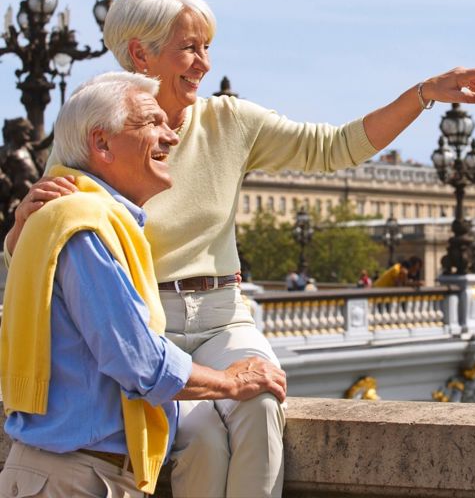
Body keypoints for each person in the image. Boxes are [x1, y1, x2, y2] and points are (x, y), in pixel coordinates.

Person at [5, 0, 475, 498]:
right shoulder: (98, 128)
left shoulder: (228, 121)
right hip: (150, 322)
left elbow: (334, 147)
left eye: (207, 47)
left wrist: (421, 94)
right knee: (199, 442)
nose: (203, 62)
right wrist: (21, 226)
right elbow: (50, 249)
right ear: (139, 54)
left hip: (224, 316)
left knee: (263, 406)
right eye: (190, 48)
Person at [0, 72, 286, 497]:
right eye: (152, 123)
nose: (170, 136)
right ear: (102, 144)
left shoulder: (76, 217)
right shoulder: (85, 224)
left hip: (81, 474)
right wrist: (231, 382)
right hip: (77, 479)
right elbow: (139, 361)